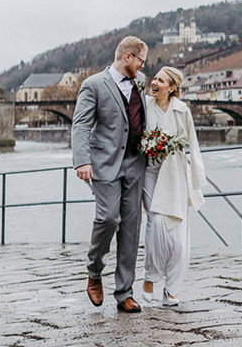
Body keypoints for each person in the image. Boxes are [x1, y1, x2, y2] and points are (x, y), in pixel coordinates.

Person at [72, 36, 148, 313]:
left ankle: (125, 292)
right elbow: (80, 125)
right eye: (140, 60)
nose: (142, 66)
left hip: (136, 163)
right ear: (128, 57)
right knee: (107, 217)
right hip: (104, 163)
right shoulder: (93, 84)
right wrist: (82, 161)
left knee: (131, 227)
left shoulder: (140, 83)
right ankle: (94, 271)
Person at [142, 66, 207, 306]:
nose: (155, 82)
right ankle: (150, 276)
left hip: (175, 173)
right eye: (155, 78)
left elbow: (193, 144)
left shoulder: (182, 111)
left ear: (171, 88)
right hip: (150, 171)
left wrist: (197, 177)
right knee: (156, 221)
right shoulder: (144, 106)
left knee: (179, 235)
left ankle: (172, 287)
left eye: (161, 80)